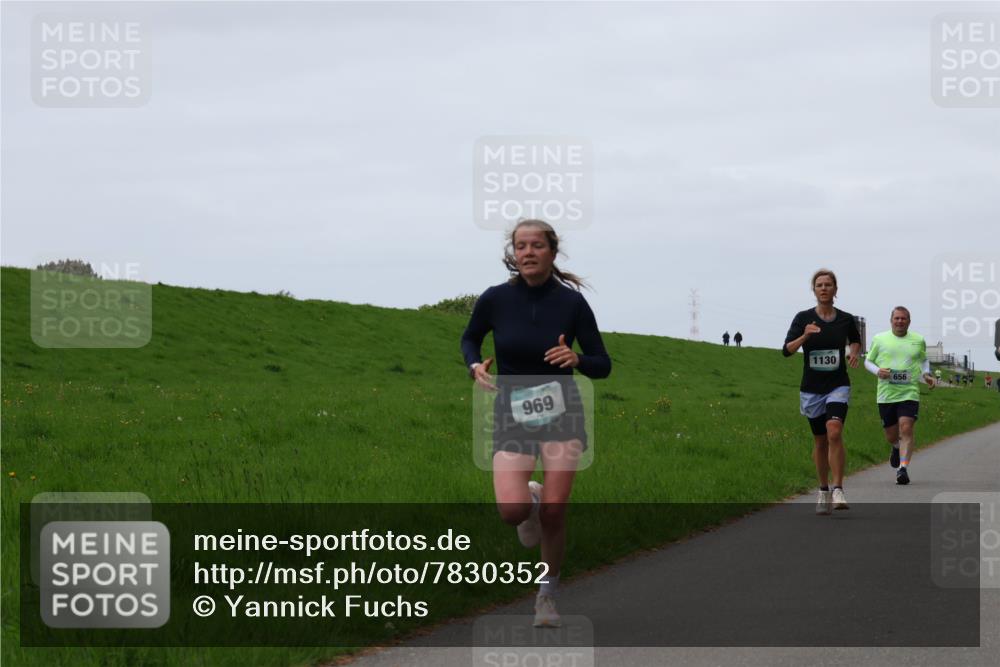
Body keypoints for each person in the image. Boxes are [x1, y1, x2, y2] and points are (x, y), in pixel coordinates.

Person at [461, 219, 611, 628]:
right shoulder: (494, 299)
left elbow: (603, 364)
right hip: (512, 411)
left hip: (562, 412)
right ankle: (529, 499)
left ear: (552, 251)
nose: (528, 252)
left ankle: (546, 596)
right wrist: (474, 365)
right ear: (513, 254)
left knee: (555, 512)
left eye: (536, 246)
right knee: (512, 511)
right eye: (520, 246)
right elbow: (469, 338)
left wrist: (578, 359)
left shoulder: (572, 305)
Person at [783, 269, 861, 515]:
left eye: (828, 284)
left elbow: (855, 340)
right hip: (811, 389)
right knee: (819, 441)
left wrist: (854, 352)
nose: (824, 288)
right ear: (814, 290)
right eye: (819, 285)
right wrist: (805, 335)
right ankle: (823, 489)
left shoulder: (846, 319)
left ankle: (838, 489)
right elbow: (786, 350)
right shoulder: (803, 318)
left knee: (834, 432)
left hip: (838, 385)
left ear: (836, 290)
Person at [863, 306, 935, 485]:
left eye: (903, 318)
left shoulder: (918, 340)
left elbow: (924, 359)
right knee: (891, 435)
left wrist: (926, 374)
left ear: (909, 321)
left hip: (909, 392)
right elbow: (867, 361)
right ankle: (896, 447)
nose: (900, 321)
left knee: (906, 427)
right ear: (891, 320)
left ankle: (902, 468)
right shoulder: (880, 339)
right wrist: (878, 371)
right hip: (886, 394)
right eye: (897, 318)